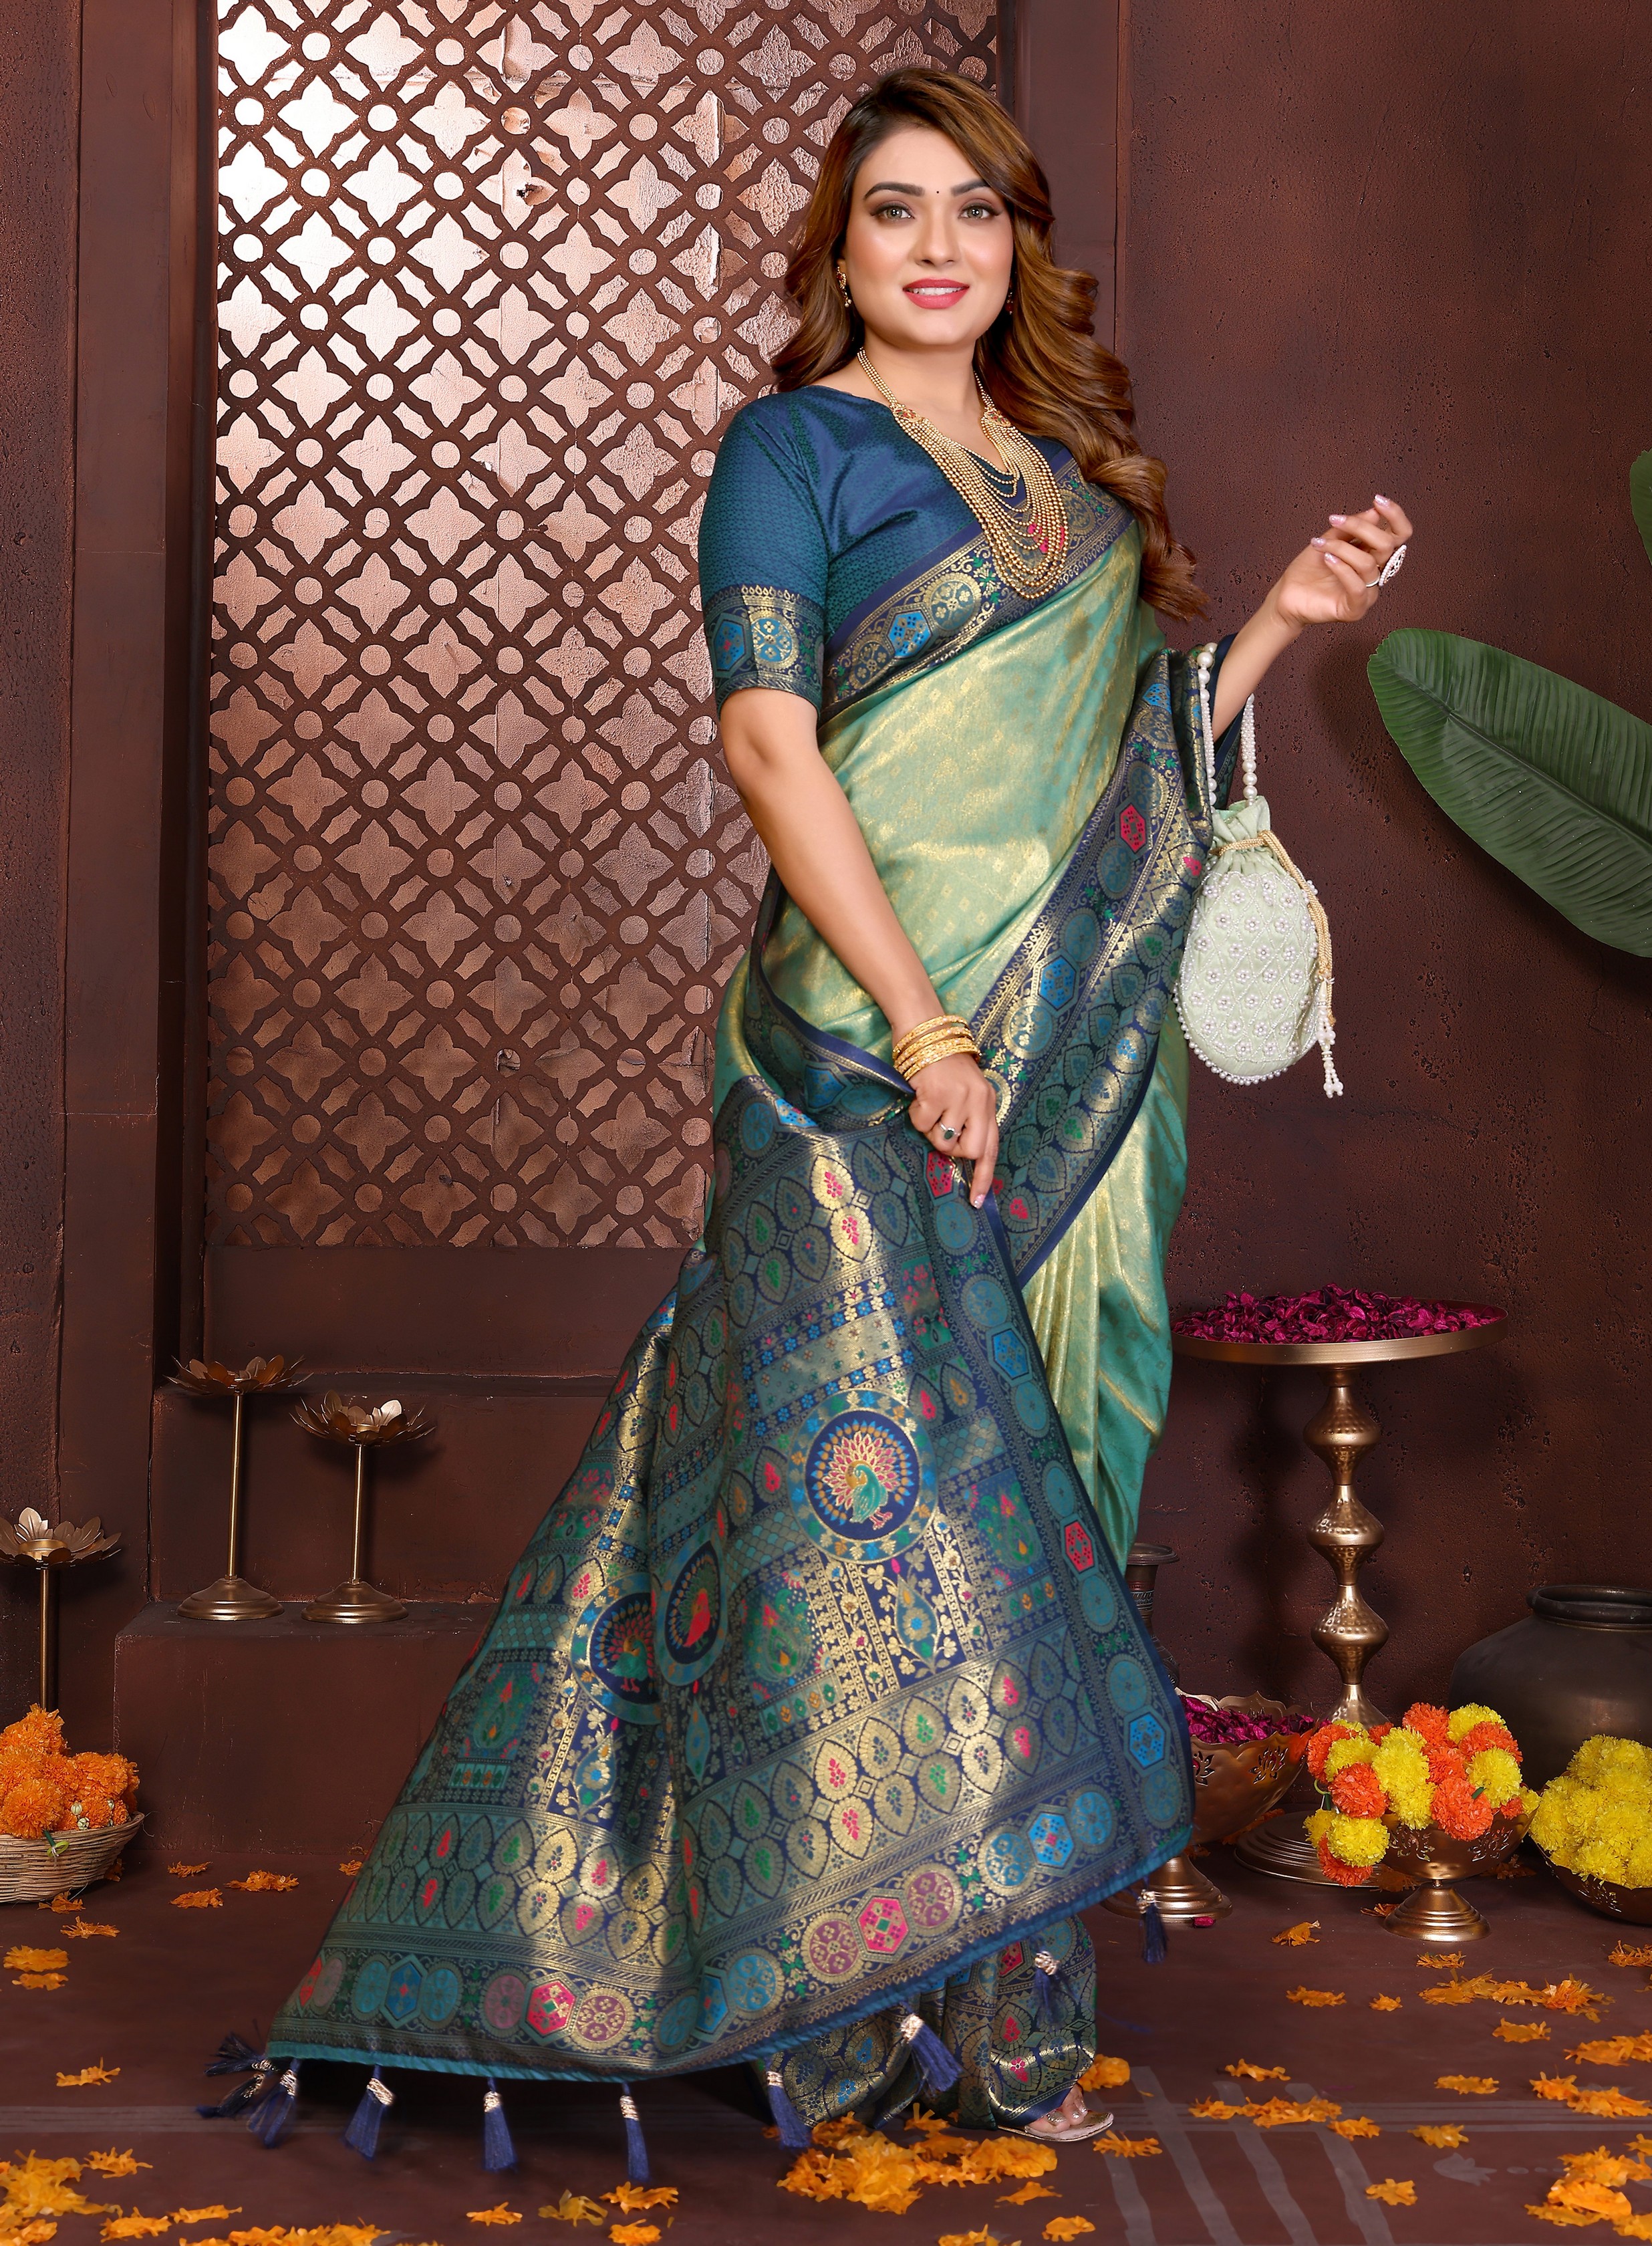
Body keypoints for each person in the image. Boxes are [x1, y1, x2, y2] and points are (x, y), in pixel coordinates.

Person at [237, 68, 1410, 2164]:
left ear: (1019, 245)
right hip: (861, 1051)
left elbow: (1126, 764)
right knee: (860, 1511)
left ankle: (1008, 2012)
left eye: (977, 209)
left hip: (1078, 1046)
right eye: (895, 210)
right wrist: (921, 1030)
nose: (939, 246)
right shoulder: (792, 451)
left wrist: (1278, 634)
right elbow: (773, 748)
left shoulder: (1072, 482)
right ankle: (839, 2013)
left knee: (1055, 1474)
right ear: (839, 247)